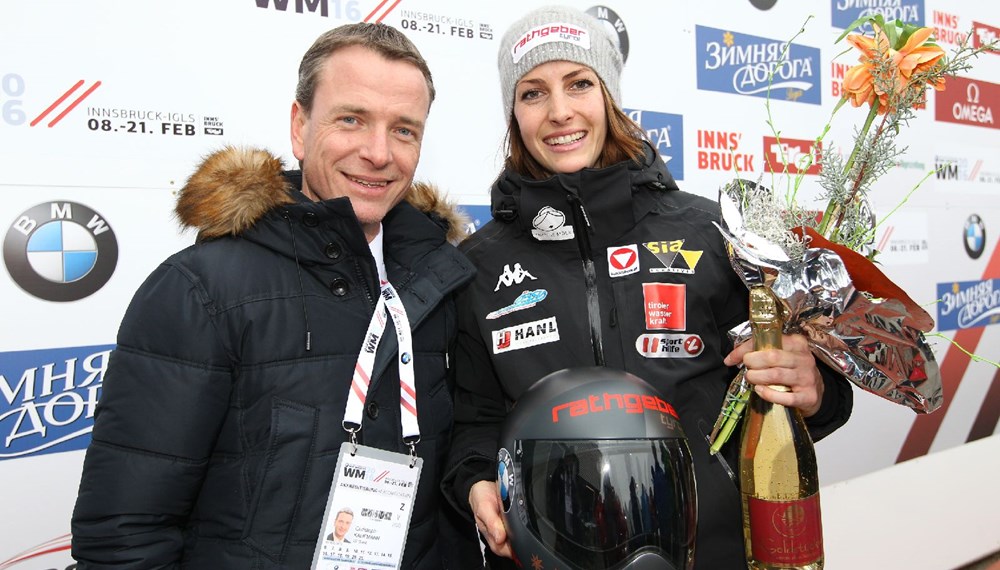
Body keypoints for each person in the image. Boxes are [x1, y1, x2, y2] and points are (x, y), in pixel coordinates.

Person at [441, 6, 854, 570]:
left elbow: (798, 394)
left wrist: (814, 386)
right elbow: (473, 423)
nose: (560, 112)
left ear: (609, 94)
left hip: (714, 551)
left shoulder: (710, 234)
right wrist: (476, 483)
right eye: (533, 92)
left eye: (580, 84)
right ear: (514, 112)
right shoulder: (480, 266)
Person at [71, 22, 481, 569]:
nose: (379, 153)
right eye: (351, 119)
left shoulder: (443, 279)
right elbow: (126, 532)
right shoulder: (202, 289)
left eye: (404, 130)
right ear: (299, 126)